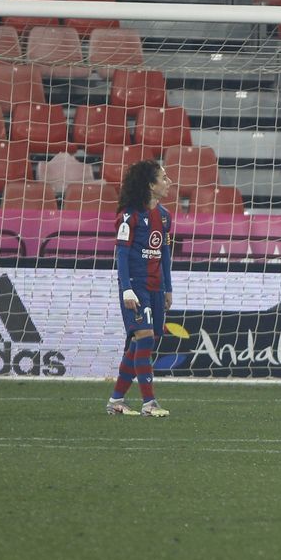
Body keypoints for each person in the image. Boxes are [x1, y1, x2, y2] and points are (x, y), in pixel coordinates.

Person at [107, 159, 174, 417]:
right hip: (136, 286)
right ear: (150, 185)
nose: (169, 182)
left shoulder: (165, 217)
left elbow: (165, 254)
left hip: (156, 288)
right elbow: (121, 255)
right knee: (144, 337)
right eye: (164, 178)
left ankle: (115, 400)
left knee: (142, 342)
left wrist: (168, 289)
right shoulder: (129, 216)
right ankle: (149, 403)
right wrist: (126, 289)